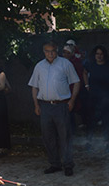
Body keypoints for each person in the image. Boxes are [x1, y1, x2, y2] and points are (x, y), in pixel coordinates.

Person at [29, 41, 80, 176]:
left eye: (52, 51)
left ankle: (68, 164)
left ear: (56, 51)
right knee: (48, 136)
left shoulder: (65, 64)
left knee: (65, 136)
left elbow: (76, 82)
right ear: (43, 52)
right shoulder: (39, 66)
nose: (50, 54)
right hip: (45, 106)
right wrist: (36, 105)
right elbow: (34, 86)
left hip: (62, 105)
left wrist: (72, 101)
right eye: (47, 51)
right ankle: (54, 164)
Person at [82, 45, 109, 140]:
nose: (99, 56)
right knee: (91, 119)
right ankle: (89, 140)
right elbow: (84, 72)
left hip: (108, 97)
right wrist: (86, 85)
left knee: (106, 119)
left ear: (104, 55)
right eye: (97, 54)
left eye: (101, 54)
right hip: (93, 96)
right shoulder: (90, 64)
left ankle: (107, 141)